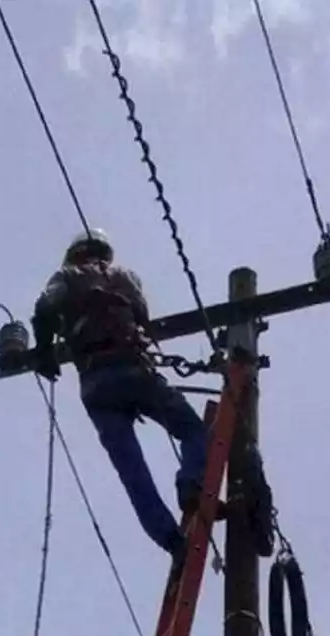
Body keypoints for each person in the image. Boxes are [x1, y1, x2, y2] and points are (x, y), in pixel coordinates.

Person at [30, 227, 220, 577]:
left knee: (132, 470)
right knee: (193, 429)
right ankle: (191, 482)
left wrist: (44, 354)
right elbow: (142, 317)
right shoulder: (125, 277)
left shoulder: (66, 277)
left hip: (96, 386)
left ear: (74, 254)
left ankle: (170, 540)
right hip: (135, 370)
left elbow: (43, 309)